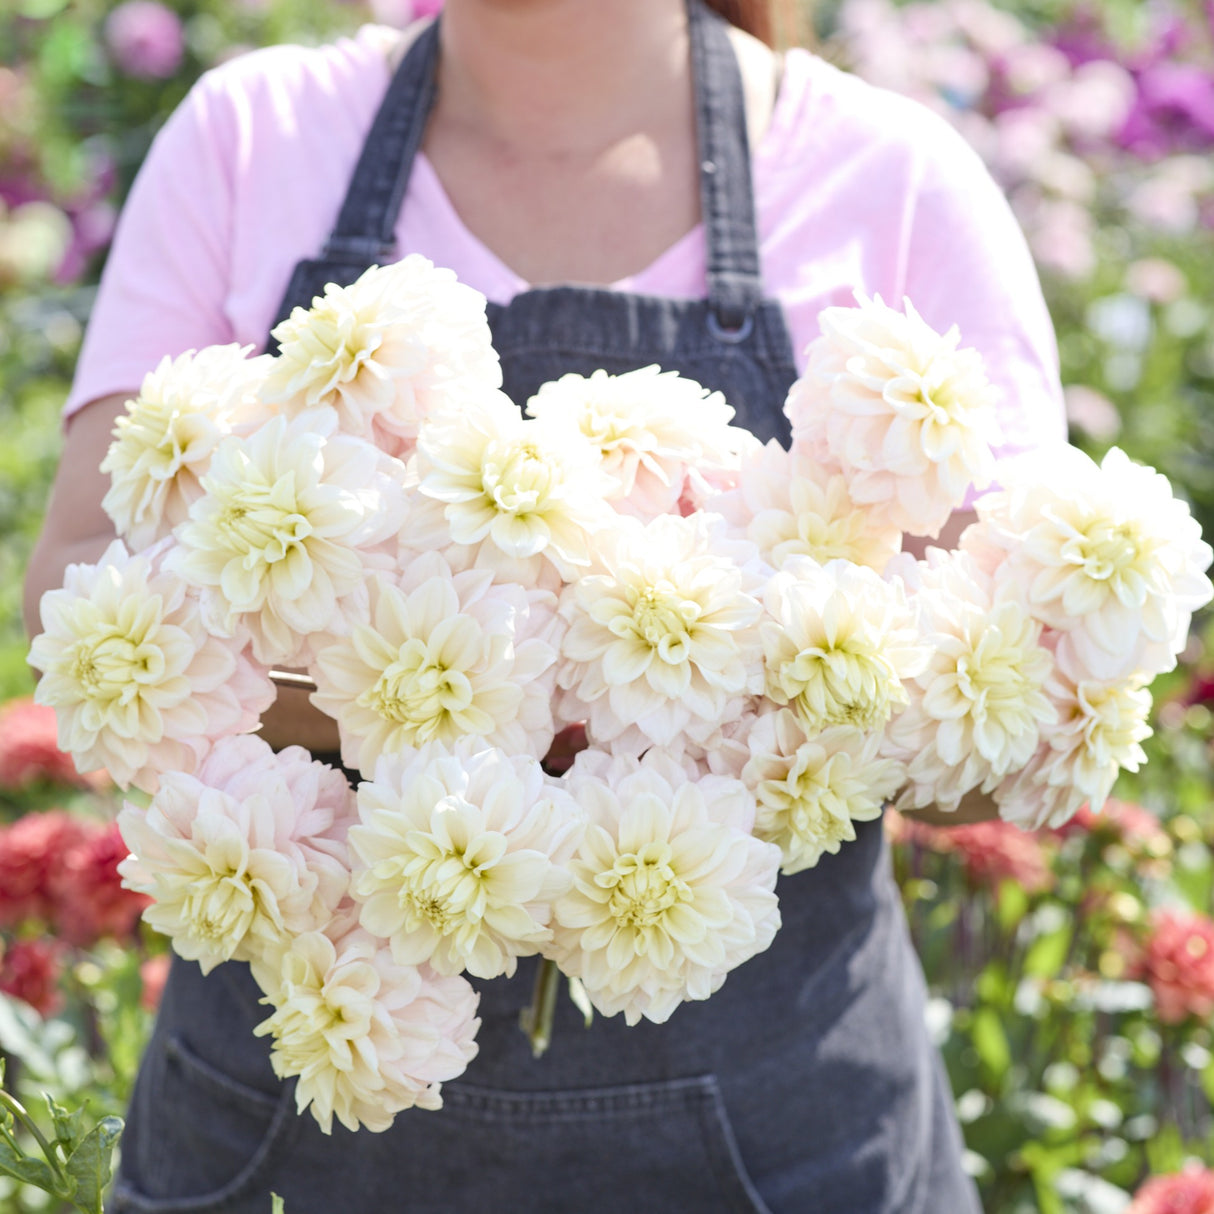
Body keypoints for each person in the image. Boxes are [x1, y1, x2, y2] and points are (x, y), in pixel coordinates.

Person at [24, 1, 1066, 1210]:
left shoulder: (892, 180)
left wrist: (739, 704)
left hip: (782, 1151)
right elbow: (78, 575)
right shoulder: (253, 134)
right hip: (293, 1117)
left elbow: (1016, 707)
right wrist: (465, 707)